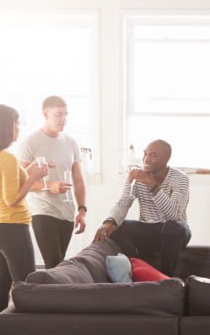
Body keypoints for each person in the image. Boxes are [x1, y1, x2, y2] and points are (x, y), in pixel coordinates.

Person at [0, 104, 48, 317]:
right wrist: (35, 177)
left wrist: (29, 171)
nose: (19, 128)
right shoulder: (7, 158)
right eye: (16, 123)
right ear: (5, 127)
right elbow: (12, 199)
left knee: (1, 286)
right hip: (11, 227)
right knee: (27, 286)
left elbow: (10, 185)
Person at [93, 140, 190, 276]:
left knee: (172, 227)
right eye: (145, 154)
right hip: (150, 230)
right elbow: (124, 202)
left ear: (166, 158)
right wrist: (110, 221)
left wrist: (152, 185)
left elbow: (173, 215)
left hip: (177, 231)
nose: (146, 159)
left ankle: (166, 279)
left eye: (153, 155)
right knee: (117, 227)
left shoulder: (180, 178)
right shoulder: (136, 176)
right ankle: (139, 266)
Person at [16, 96, 87, 269]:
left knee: (59, 266)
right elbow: (20, 184)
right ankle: (51, 296)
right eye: (58, 114)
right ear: (45, 114)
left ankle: (54, 295)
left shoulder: (71, 143)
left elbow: (78, 179)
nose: (63, 120)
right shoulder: (30, 142)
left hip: (66, 212)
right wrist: (48, 186)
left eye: (65, 114)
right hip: (42, 211)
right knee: (54, 262)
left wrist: (82, 210)